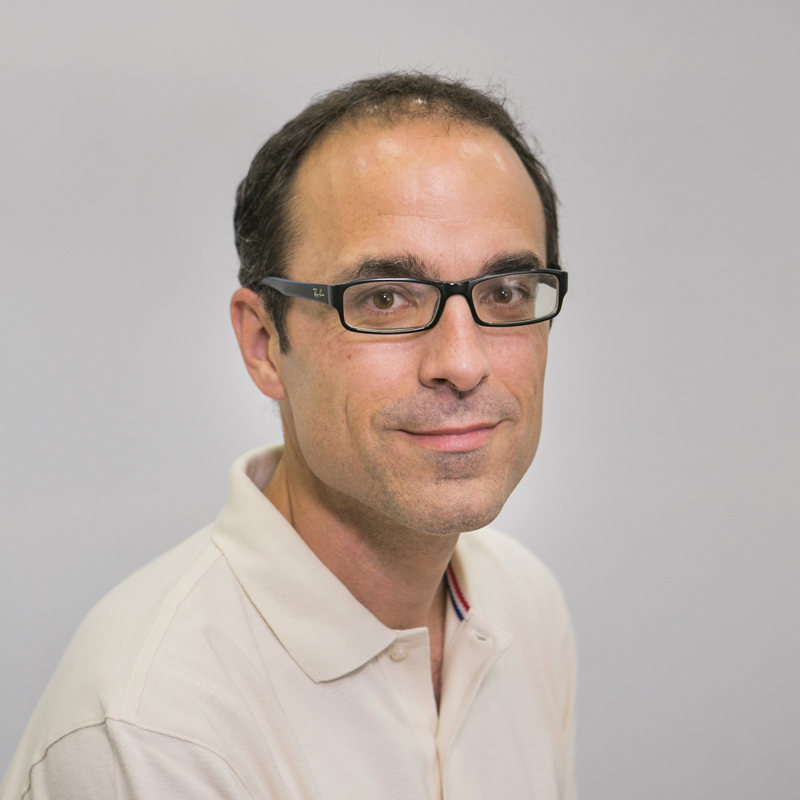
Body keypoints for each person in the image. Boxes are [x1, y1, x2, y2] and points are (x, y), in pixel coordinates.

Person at [1, 72, 575, 800]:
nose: (462, 363)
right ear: (265, 344)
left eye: (505, 292)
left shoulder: (527, 604)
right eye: (385, 298)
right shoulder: (148, 733)